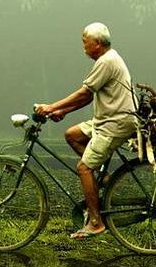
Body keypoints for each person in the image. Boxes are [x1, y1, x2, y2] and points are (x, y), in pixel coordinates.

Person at [34, 22, 136, 239]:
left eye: (85, 42)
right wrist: (62, 111)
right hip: (105, 120)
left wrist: (52, 107)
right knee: (72, 135)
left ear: (97, 44)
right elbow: (89, 96)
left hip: (114, 123)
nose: (83, 47)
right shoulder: (107, 58)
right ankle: (105, 178)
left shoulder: (106, 62)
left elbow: (83, 93)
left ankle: (96, 222)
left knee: (83, 168)